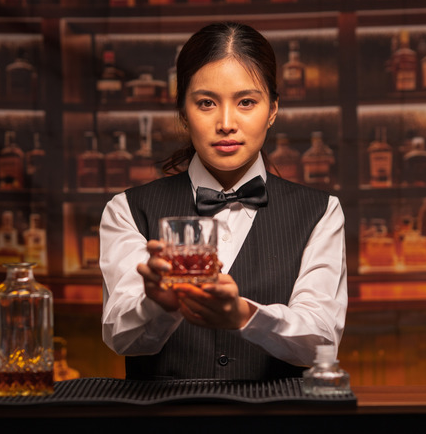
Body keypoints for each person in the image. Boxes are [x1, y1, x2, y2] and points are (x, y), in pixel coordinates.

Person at [99, 21, 347, 380]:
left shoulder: (322, 212)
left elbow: (321, 341)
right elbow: (122, 339)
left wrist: (245, 316)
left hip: (278, 411)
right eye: (206, 103)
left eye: (246, 102)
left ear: (273, 110)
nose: (226, 123)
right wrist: (157, 305)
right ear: (183, 112)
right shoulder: (127, 210)